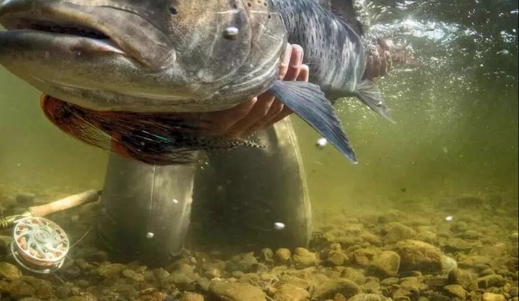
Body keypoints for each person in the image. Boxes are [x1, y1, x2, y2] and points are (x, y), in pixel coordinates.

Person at [95, 40, 394, 265]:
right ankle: (187, 162)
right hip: (156, 97)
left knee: (283, 241)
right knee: (140, 250)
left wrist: (356, 58)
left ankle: (208, 178)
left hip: (255, 83)